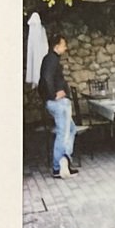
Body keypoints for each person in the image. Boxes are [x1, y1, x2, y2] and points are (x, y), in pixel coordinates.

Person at [38, 33, 79, 179]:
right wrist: (53, 95)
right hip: (59, 103)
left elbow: (46, 79)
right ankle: (58, 167)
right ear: (56, 46)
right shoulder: (51, 59)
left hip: (58, 102)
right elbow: (46, 78)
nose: (65, 47)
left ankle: (65, 160)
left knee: (71, 129)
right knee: (63, 133)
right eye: (63, 45)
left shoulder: (50, 59)